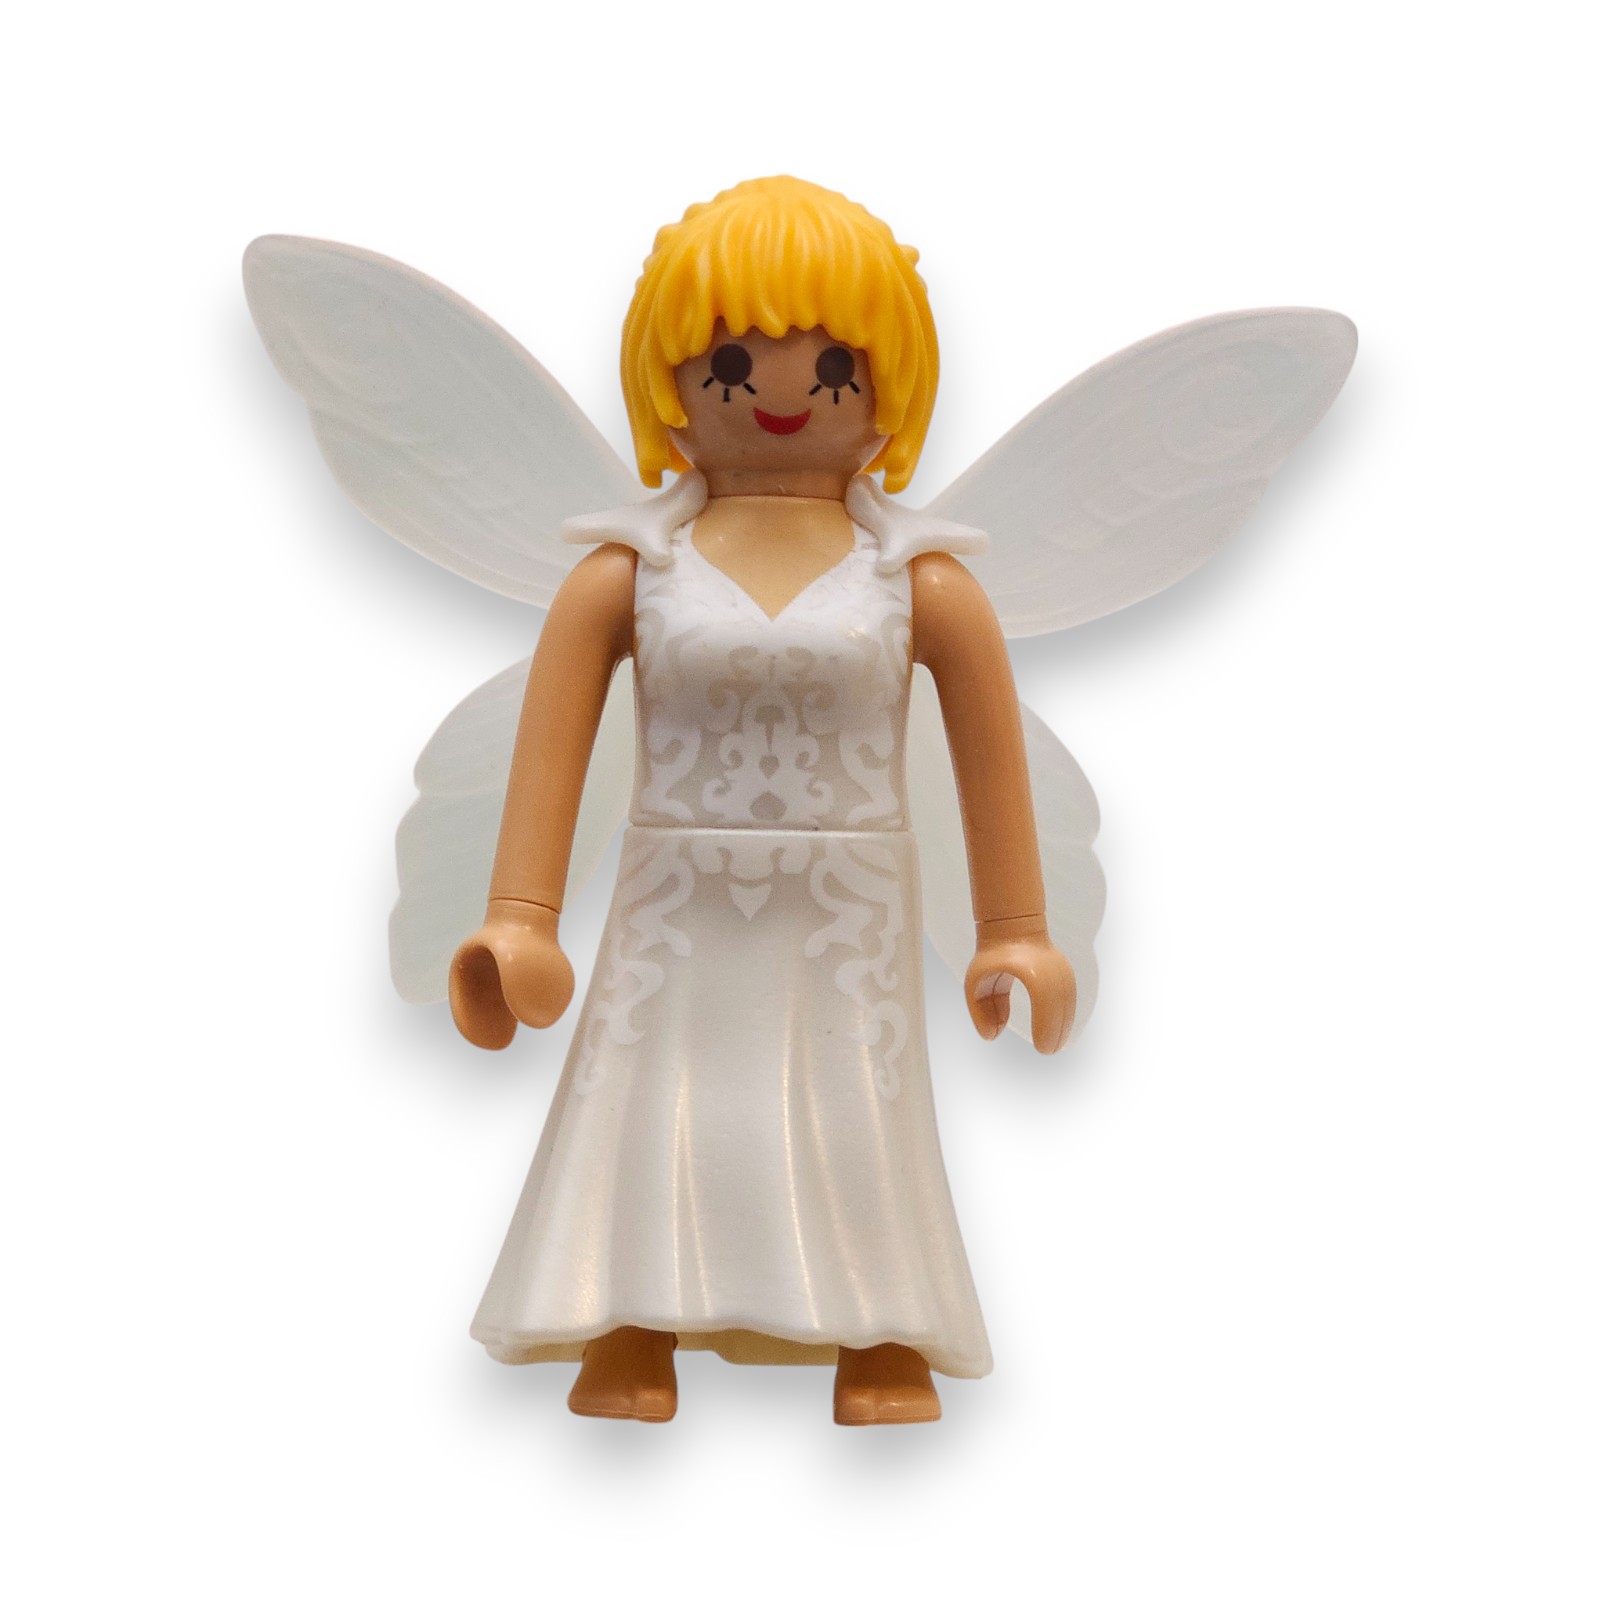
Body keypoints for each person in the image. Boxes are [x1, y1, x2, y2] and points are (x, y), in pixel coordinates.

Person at [448, 176, 1074, 1425]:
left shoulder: (919, 581)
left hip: (847, 902)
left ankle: (878, 1328)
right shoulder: (629, 573)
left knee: (856, 1101)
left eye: (835, 366)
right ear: (670, 382)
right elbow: (552, 749)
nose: (784, 394)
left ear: (889, 386)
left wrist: (1017, 930)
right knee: (649, 1096)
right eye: (732, 362)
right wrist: (519, 917)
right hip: (673, 895)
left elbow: (987, 757)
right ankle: (630, 1316)